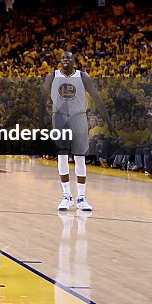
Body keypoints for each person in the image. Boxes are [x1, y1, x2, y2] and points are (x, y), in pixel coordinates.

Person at [40, 50, 110, 212]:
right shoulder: (52, 76)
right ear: (60, 60)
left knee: (80, 158)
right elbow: (42, 99)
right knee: (62, 156)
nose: (65, 59)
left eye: (68, 57)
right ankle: (66, 196)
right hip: (59, 117)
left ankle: (82, 197)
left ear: (74, 60)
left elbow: (97, 98)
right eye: (63, 57)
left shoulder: (83, 76)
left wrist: (108, 120)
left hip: (78, 117)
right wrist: (41, 119)